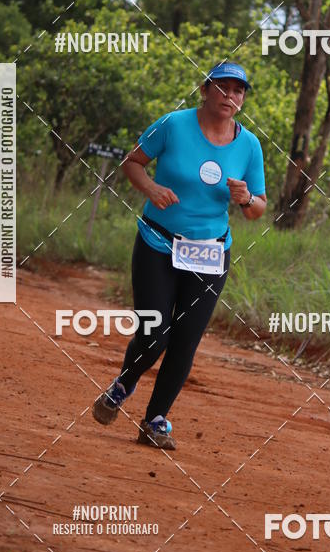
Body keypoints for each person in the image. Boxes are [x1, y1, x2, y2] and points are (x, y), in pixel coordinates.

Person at [92, 62, 267, 449]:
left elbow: (258, 209)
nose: (229, 97)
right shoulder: (172, 124)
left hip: (209, 253)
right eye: (222, 88)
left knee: (186, 340)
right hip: (158, 241)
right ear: (205, 90)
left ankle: (155, 420)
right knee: (155, 334)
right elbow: (132, 162)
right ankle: (124, 383)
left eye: (238, 91)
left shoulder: (249, 145)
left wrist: (247, 199)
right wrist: (151, 188)